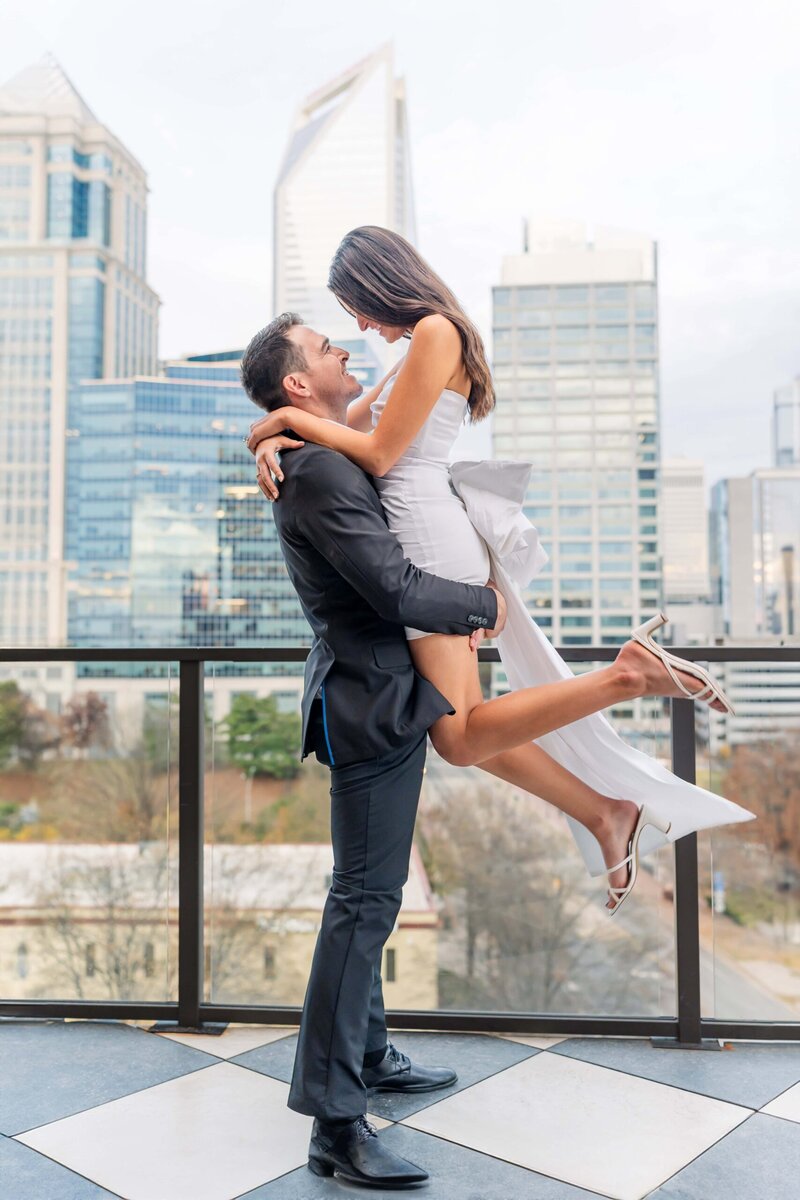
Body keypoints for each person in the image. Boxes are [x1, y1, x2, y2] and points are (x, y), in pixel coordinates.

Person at [239, 313, 744, 1189]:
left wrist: (272, 428)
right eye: (327, 348)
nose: (345, 351)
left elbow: (379, 453)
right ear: (296, 382)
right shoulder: (320, 473)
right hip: (371, 700)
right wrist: (483, 607)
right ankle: (334, 1124)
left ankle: (372, 1053)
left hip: (383, 689)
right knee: (362, 903)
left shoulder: (320, 447)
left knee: (371, 894)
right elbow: (393, 585)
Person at [246, 230, 755, 917]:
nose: (361, 326)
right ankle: (606, 807)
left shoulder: (434, 333)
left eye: (358, 308)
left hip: (427, 536)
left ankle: (627, 677)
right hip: (429, 533)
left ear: (378, 281)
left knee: (459, 736)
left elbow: (377, 452)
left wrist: (281, 417)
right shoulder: (419, 346)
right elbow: (342, 425)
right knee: (462, 733)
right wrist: (282, 430)